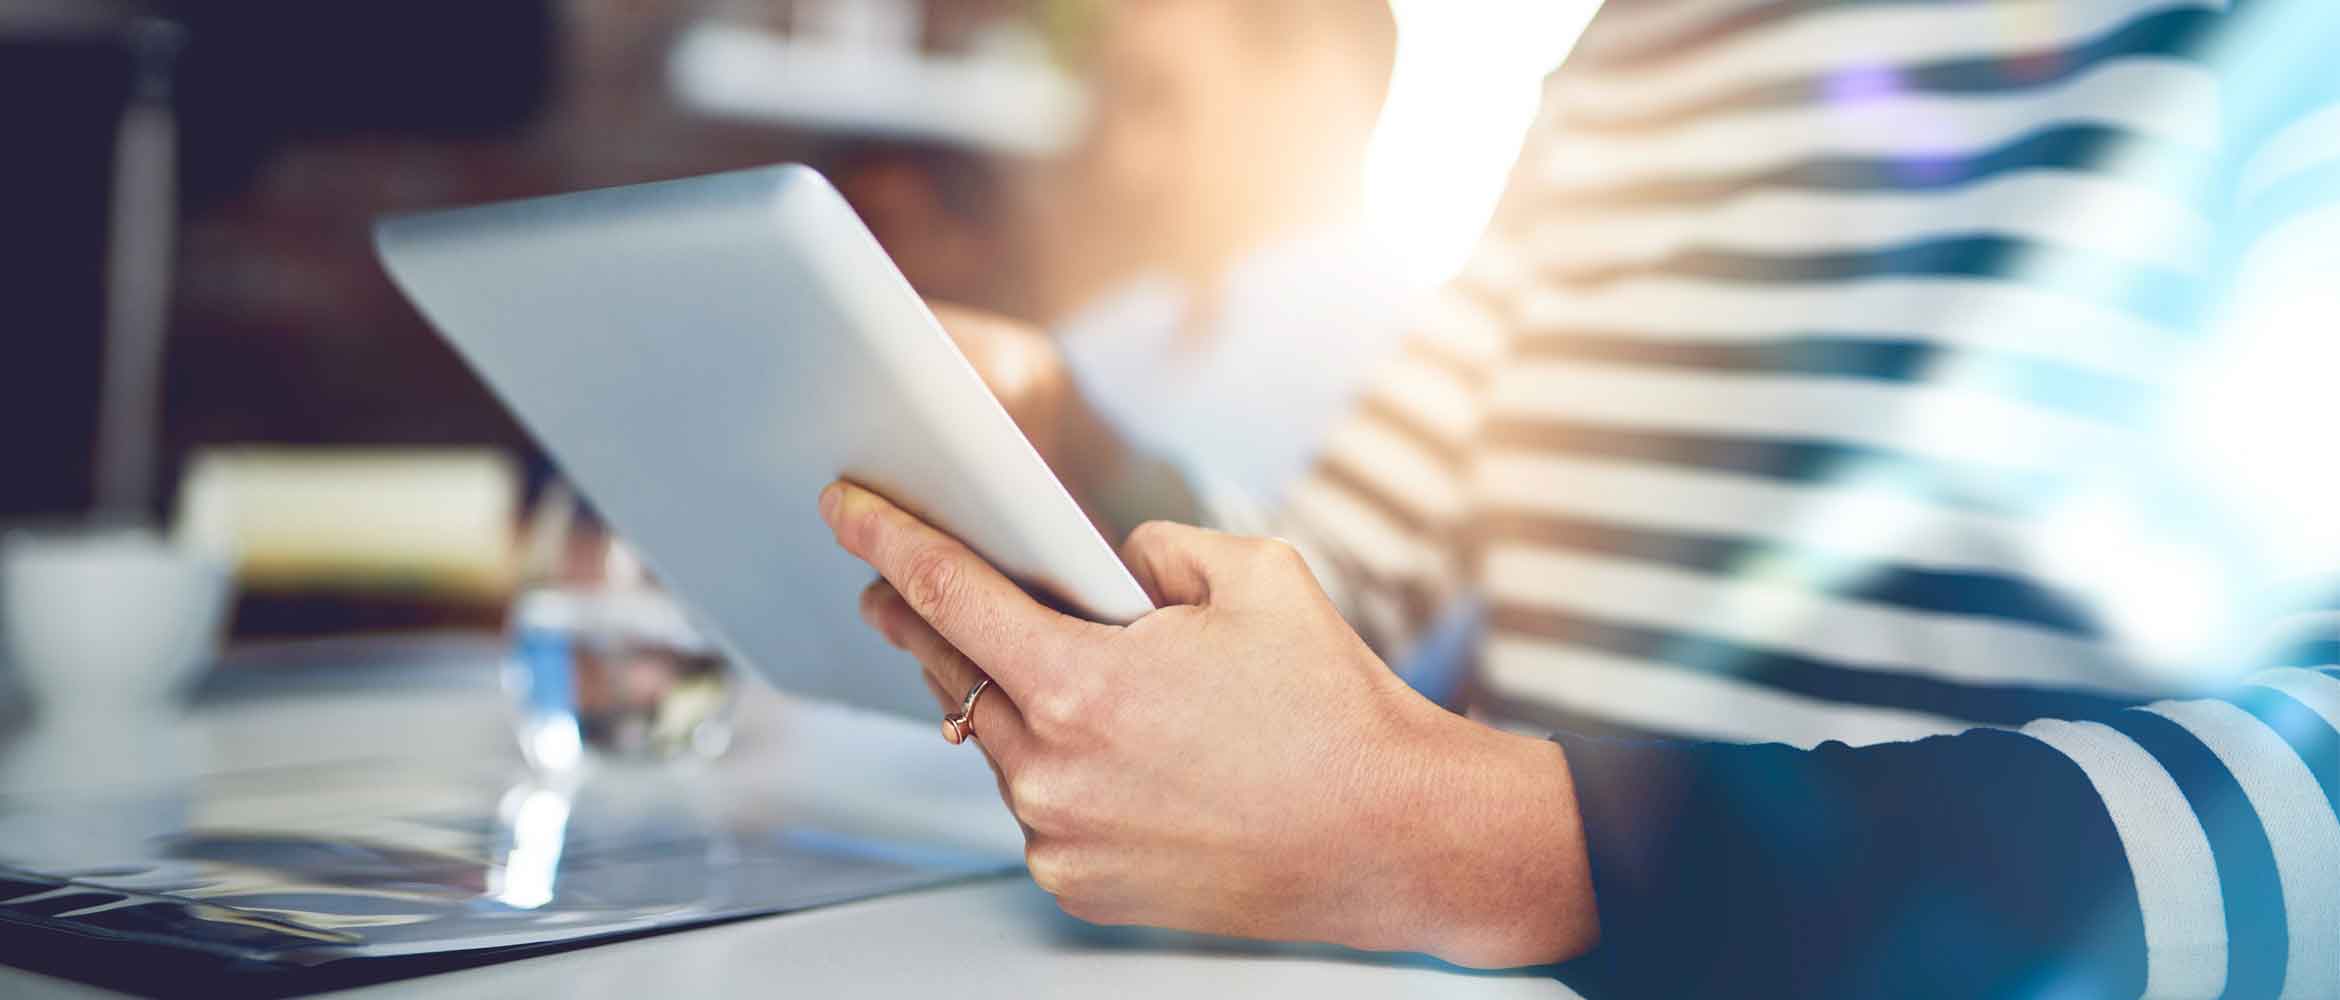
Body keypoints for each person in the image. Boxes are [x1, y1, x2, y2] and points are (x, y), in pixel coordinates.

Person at [819, 0, 2340, 996]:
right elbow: (1354, 570)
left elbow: (2311, 812)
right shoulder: (1636, 53)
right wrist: (1067, 452)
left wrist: (1498, 842)